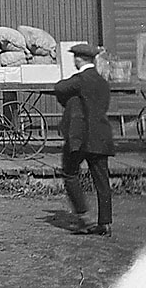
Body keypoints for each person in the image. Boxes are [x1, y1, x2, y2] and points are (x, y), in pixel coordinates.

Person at [54, 43, 115, 236]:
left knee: (70, 173)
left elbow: (60, 88)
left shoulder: (80, 80)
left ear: (79, 59)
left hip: (80, 137)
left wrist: (71, 99)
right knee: (102, 182)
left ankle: (83, 215)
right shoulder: (103, 82)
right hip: (102, 136)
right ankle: (105, 223)